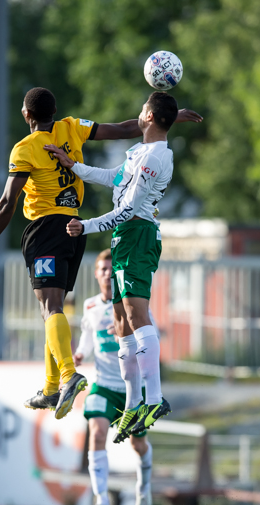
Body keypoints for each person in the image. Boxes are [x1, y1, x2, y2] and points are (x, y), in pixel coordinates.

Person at [0, 87, 201, 421]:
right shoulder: (72, 127)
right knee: (54, 310)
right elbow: (124, 129)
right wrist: (170, 119)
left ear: (26, 115)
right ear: (54, 111)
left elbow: (8, 201)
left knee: (50, 307)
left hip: (46, 229)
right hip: (72, 228)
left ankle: (67, 376)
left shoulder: (24, 149)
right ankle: (51, 386)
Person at [48, 91, 187, 442]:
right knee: (121, 321)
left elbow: (128, 208)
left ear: (151, 117)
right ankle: (132, 404)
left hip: (137, 234)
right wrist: (73, 166)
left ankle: (153, 399)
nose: (138, 113)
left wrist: (87, 225)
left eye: (143, 110)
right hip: (125, 237)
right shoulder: (140, 151)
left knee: (137, 315)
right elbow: (114, 178)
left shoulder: (156, 156)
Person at [75, 249, 153, 505]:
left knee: (138, 443)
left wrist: (125, 331)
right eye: (103, 270)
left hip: (132, 387)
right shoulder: (91, 305)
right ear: (96, 274)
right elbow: (87, 334)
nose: (108, 275)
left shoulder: (133, 302)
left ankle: (144, 487)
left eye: (112, 269)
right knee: (96, 433)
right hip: (104, 384)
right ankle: (101, 501)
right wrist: (80, 354)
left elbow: (150, 334)